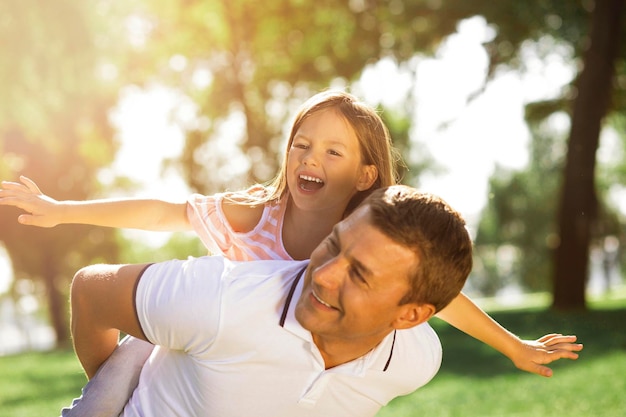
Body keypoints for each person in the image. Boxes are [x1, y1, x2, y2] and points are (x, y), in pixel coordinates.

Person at [0, 91, 583, 415]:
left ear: (366, 173)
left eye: (333, 152)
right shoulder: (257, 215)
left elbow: (438, 298)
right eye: (301, 145)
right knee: (111, 395)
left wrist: (512, 344)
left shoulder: (376, 237)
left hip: (265, 366)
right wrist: (62, 209)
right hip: (180, 342)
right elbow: (162, 211)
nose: (311, 159)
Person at [71, 185, 476, 416]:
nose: (324, 273)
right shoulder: (219, 300)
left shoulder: (415, 361)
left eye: (359, 275)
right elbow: (91, 292)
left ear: (410, 315)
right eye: (333, 245)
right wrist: (108, 392)